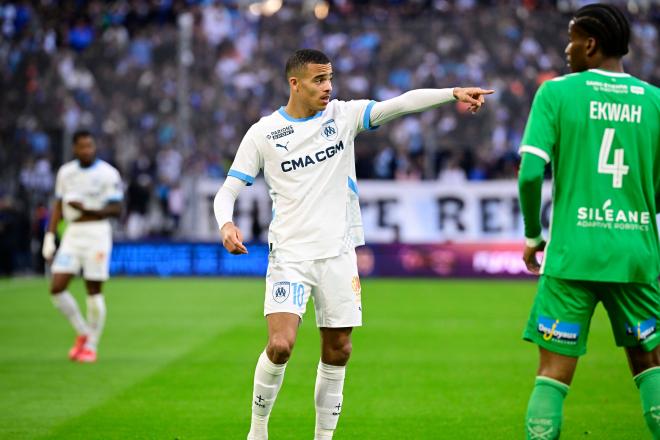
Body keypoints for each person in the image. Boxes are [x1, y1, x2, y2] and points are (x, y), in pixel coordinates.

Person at [214, 48, 493, 440]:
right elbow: (227, 190)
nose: (328, 87)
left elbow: (400, 104)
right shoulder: (263, 133)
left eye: (330, 79)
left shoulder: (342, 117)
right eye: (318, 80)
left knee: (339, 350)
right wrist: (226, 224)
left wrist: (452, 93)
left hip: (339, 254)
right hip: (290, 256)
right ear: (294, 83)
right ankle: (257, 431)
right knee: (280, 346)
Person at [518, 4, 660, 439]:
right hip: (635, 253)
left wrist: (532, 235)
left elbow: (528, 173)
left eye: (572, 38)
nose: (567, 48)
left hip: (572, 253)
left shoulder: (556, 93)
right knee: (650, 367)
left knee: (553, 374)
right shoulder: (655, 101)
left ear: (591, 44)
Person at [42, 130, 123, 363]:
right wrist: (49, 236)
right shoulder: (66, 173)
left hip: (97, 231)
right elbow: (58, 205)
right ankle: (83, 332)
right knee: (57, 287)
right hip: (72, 232)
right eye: (82, 147)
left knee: (93, 290)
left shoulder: (108, 173)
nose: (87, 150)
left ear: (94, 147)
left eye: (90, 146)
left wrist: (85, 209)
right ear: (75, 149)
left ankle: (91, 346)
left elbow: (117, 209)